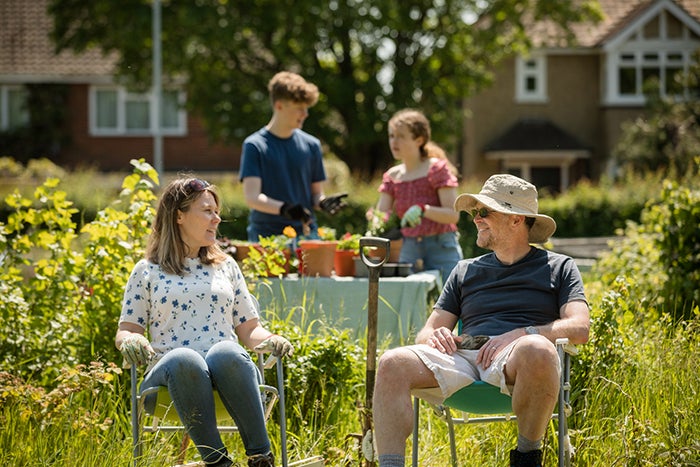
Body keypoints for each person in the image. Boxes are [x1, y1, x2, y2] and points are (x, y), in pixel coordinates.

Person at [372, 174, 590, 467]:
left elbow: (580, 327)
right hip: (461, 358)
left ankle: (526, 459)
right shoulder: (464, 270)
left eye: (484, 211)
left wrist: (521, 334)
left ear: (516, 219)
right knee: (391, 362)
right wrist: (435, 337)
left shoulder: (559, 267)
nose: (476, 219)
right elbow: (428, 331)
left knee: (537, 348)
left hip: (516, 360)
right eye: (475, 212)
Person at [115, 177, 293, 467]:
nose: (217, 218)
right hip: (167, 381)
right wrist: (132, 340)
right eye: (207, 210)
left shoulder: (226, 266)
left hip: (230, 378)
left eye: (216, 211)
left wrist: (271, 339)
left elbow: (249, 330)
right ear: (179, 216)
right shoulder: (147, 270)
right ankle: (218, 462)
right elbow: (127, 330)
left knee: (226, 351)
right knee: (185, 359)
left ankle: (262, 458)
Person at [239, 71, 347, 241]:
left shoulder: (312, 145)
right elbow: (252, 197)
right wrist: (284, 208)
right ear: (279, 105)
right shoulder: (255, 146)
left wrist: (323, 202)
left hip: (306, 233)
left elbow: (316, 194)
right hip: (267, 236)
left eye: (306, 108)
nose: (305, 114)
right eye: (299, 108)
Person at [374, 108, 462, 282]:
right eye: (391, 136)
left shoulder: (436, 169)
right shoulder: (392, 176)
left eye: (401, 136)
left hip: (442, 246)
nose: (394, 141)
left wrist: (423, 209)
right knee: (407, 304)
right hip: (409, 247)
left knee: (454, 303)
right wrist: (375, 223)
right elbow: (380, 215)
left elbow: (453, 215)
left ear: (419, 140)